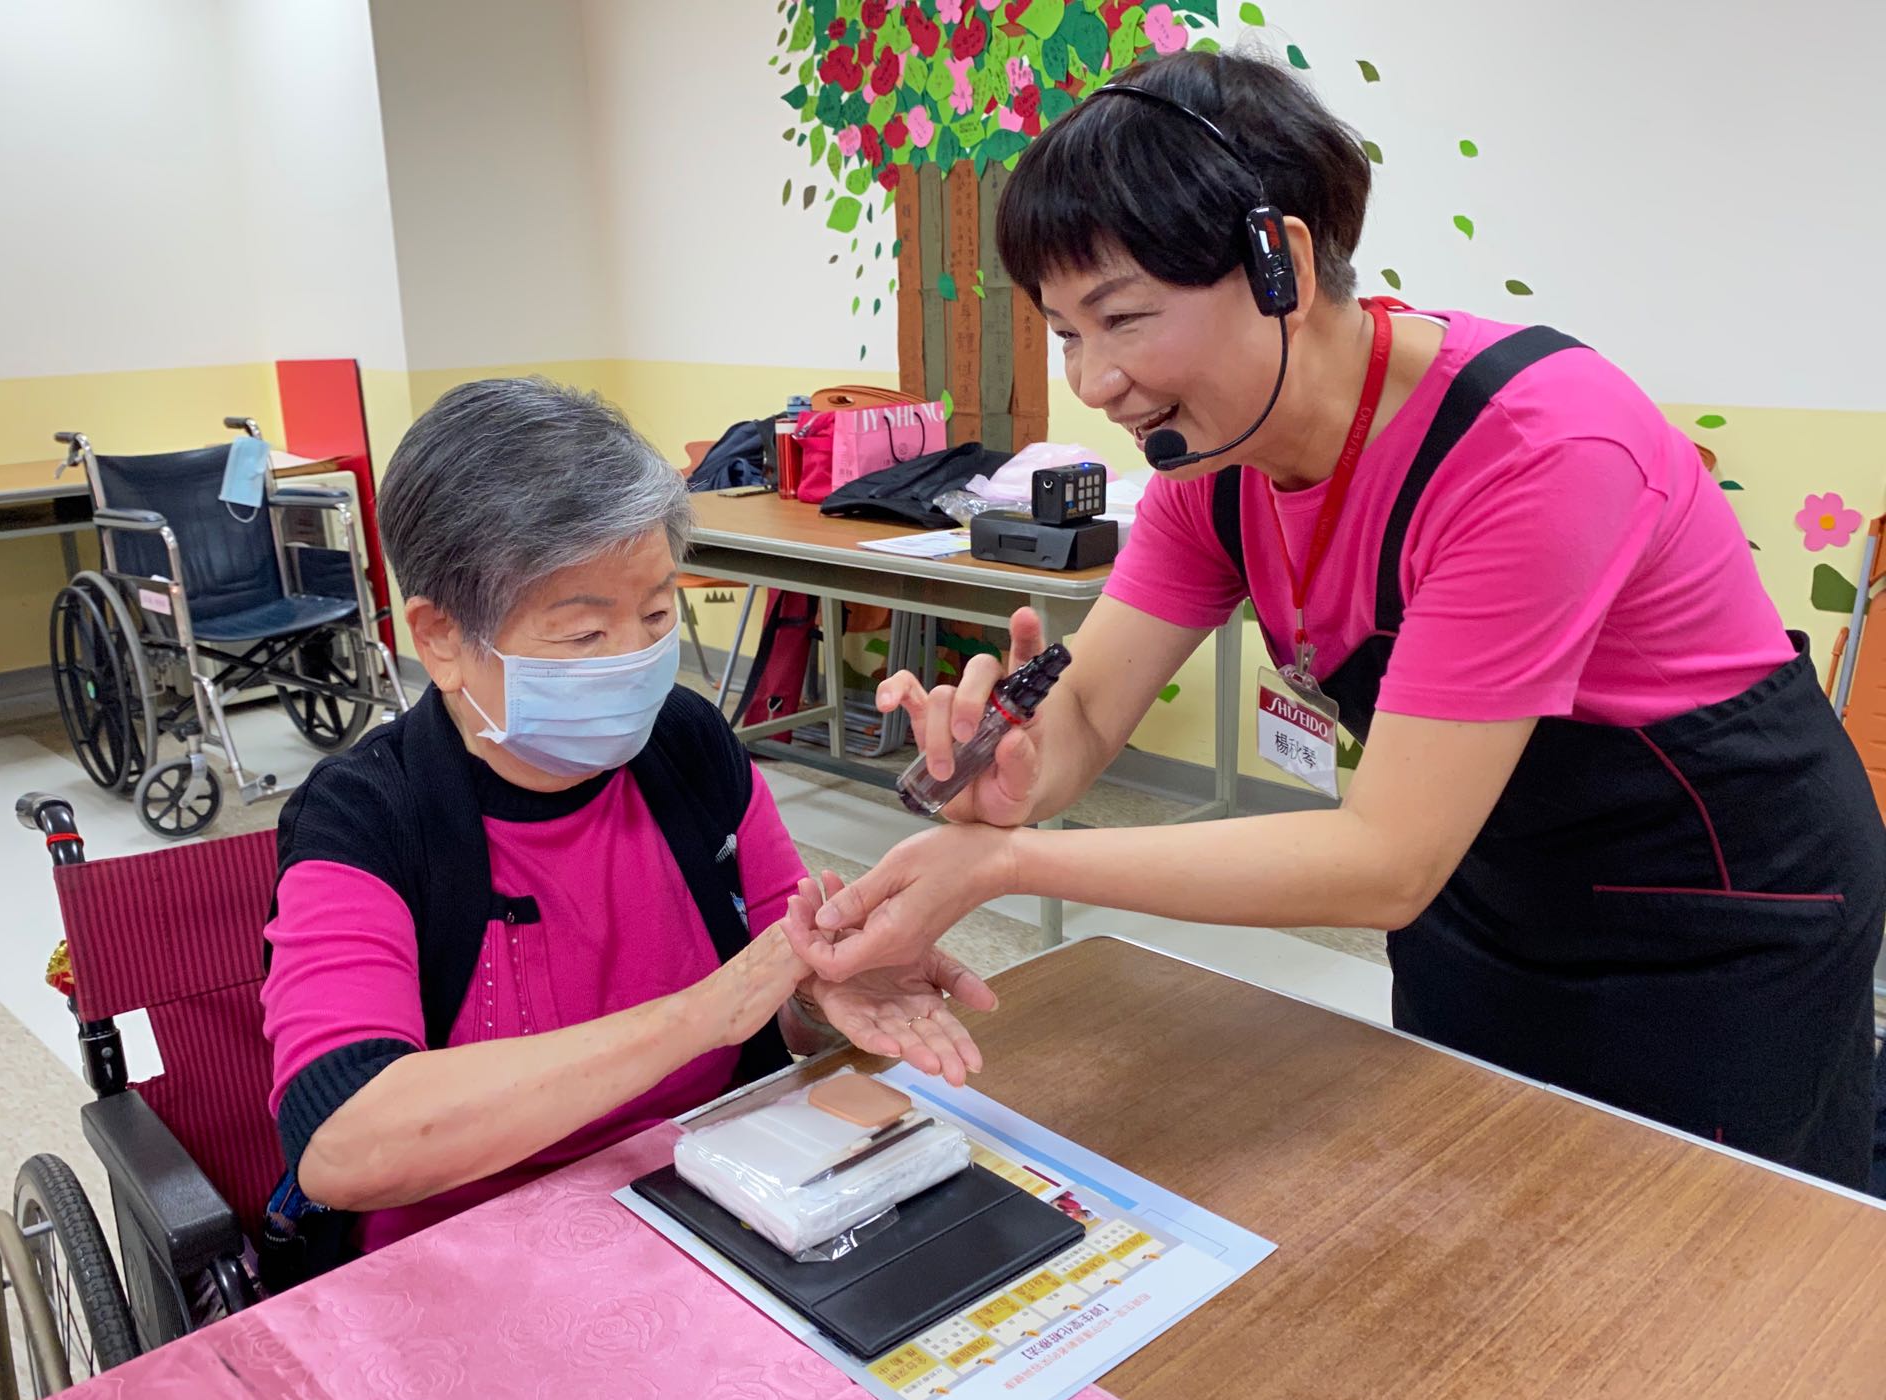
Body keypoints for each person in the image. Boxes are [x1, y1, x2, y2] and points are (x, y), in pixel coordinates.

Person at [786, 50, 1886, 1191]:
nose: (1094, 382)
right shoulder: (1212, 466)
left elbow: (1384, 859)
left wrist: (1003, 867)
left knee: (1712, 1247)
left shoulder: (1539, 447)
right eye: (1065, 331)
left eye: (1121, 319)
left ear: (1283, 264)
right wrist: (1016, 775)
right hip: (1487, 874)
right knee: (1481, 1183)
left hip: (1722, 901)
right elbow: (1092, 707)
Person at [261, 378, 996, 1253]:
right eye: (582, 636)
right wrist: (699, 1016)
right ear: (443, 638)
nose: (635, 661)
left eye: (655, 616)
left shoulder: (684, 743)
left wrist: (831, 996)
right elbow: (343, 1143)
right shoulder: (368, 819)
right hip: (479, 1246)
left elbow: (781, 982)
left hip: (720, 1194)